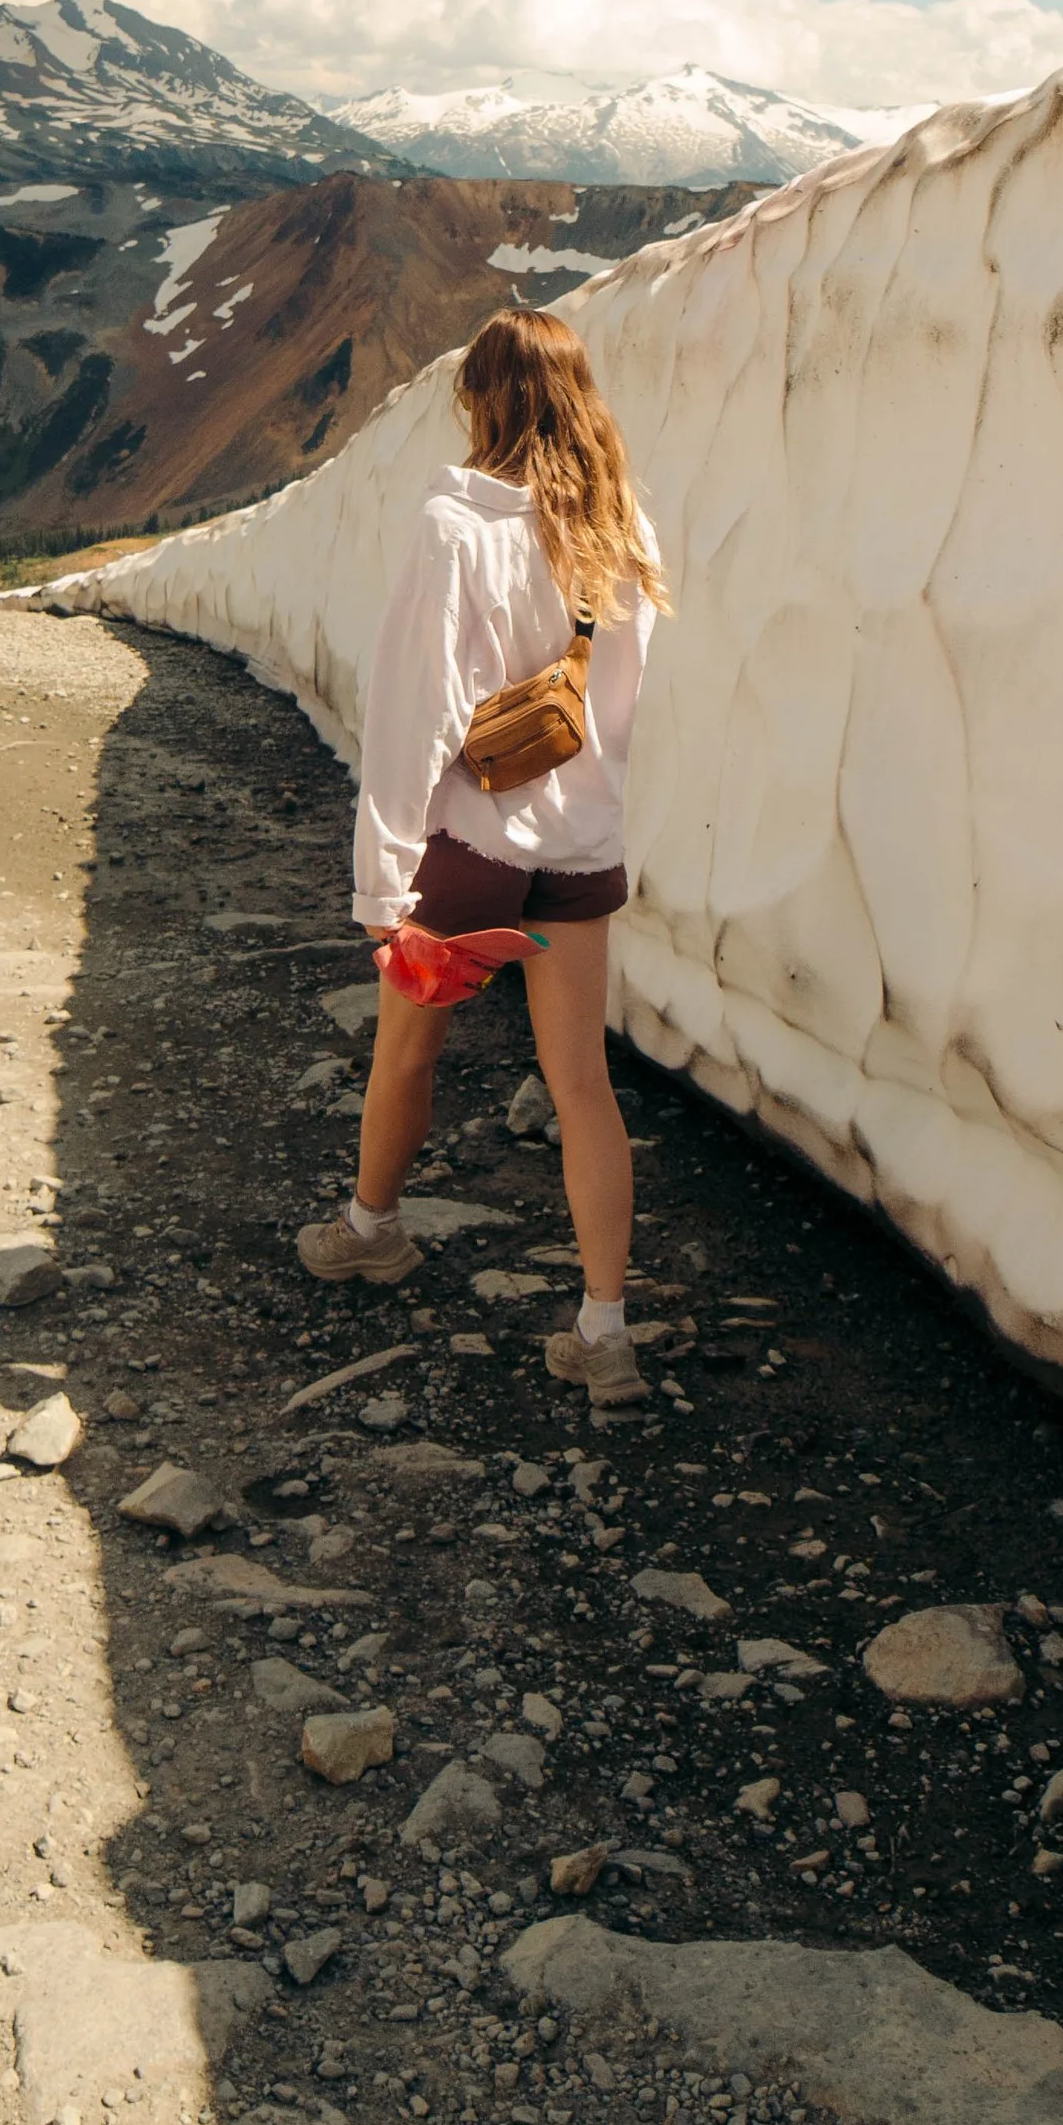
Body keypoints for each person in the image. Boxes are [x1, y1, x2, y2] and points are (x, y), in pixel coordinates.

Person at [297, 306, 670, 1410]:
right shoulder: (623, 535)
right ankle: (603, 1328)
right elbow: (625, 707)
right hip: (579, 847)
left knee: (406, 1054)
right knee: (582, 1085)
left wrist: (382, 883)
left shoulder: (454, 528)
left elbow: (415, 714)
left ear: (483, 400)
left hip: (468, 844)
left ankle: (372, 1230)